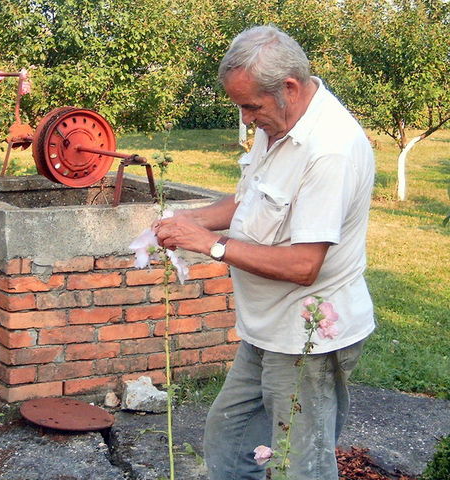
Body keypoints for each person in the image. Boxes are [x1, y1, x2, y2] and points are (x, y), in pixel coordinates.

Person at [154, 25, 375, 479]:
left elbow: (304, 265)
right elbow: (250, 199)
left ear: (289, 88)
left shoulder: (330, 150)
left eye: (251, 106)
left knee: (300, 465)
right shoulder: (277, 123)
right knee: (229, 438)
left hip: (306, 338)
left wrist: (210, 245)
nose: (246, 118)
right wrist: (191, 220)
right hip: (266, 329)